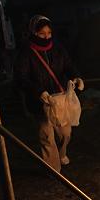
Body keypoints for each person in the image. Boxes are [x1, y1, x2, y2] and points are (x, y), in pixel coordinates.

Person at [14, 15, 83, 173]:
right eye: (41, 34)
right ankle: (53, 169)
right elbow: (21, 78)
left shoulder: (58, 49)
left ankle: (62, 153)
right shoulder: (26, 53)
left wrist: (77, 77)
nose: (46, 37)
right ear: (33, 33)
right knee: (47, 137)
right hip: (40, 102)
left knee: (65, 133)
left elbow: (68, 66)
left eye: (49, 33)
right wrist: (38, 92)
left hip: (59, 100)